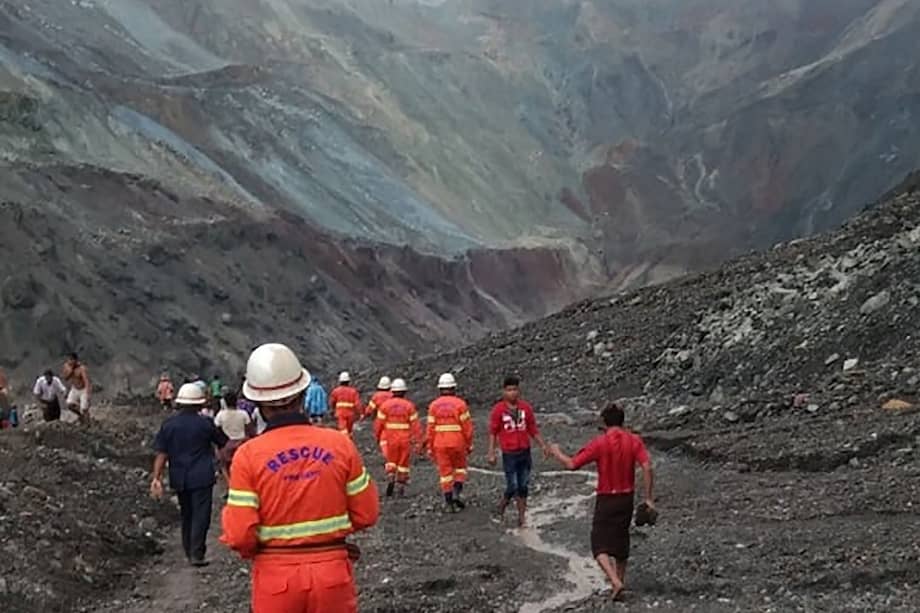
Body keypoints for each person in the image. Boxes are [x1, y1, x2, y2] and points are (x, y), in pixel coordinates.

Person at [222, 343, 379, 613]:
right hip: (332, 577)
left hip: (276, 580)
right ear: (303, 395)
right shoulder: (339, 444)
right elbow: (367, 513)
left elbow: (239, 535)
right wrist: (330, 541)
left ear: (258, 404)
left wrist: (260, 550)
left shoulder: (248, 456)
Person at [548, 403, 654, 601]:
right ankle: (620, 581)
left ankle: (614, 581)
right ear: (622, 421)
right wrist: (648, 498)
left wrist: (556, 452)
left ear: (604, 423)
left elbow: (572, 464)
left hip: (607, 497)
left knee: (599, 544)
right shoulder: (634, 440)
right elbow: (647, 467)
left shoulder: (600, 443)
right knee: (621, 540)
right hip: (626, 497)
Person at [150, 383, 229, 566]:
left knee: (186, 514)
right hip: (202, 475)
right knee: (201, 514)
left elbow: (161, 453)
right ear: (199, 404)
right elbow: (222, 442)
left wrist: (156, 477)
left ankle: (188, 550)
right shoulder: (205, 424)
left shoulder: (169, 425)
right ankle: (197, 553)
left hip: (179, 476)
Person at [487, 375, 550, 527]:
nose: (512, 393)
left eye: (515, 389)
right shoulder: (498, 410)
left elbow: (532, 429)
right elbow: (493, 432)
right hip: (509, 453)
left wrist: (543, 445)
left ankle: (521, 517)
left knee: (523, 485)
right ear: (503, 391)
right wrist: (491, 452)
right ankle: (503, 504)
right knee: (512, 485)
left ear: (519, 390)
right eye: (509, 390)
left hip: (524, 452)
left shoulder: (525, 408)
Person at [425, 373, 473, 511]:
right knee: (460, 468)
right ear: (453, 388)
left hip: (439, 443)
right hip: (458, 441)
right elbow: (467, 427)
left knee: (445, 473)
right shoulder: (460, 404)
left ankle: (448, 502)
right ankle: (457, 492)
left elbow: (430, 429)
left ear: (440, 389)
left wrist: (429, 446)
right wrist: (469, 444)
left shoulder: (433, 406)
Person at [373, 378, 421, 498]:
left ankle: (390, 477)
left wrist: (377, 437)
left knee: (391, 461)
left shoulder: (385, 406)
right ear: (404, 391)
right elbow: (416, 426)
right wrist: (418, 441)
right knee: (403, 463)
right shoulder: (409, 406)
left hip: (390, 439)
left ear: (392, 391)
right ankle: (400, 486)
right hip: (405, 439)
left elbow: (378, 424)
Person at [213, 391, 251, 482]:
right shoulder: (243, 413)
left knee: (224, 466)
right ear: (236, 401)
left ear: (225, 402)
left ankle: (229, 483)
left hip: (226, 444)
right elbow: (249, 428)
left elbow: (216, 429)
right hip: (242, 442)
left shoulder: (220, 415)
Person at [329, 372, 363, 437]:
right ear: (348, 381)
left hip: (340, 413)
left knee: (343, 430)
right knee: (349, 430)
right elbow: (357, 403)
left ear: (340, 381)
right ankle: (349, 440)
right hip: (350, 414)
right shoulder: (353, 391)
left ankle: (345, 440)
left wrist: (332, 410)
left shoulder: (336, 391)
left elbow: (332, 402)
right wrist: (361, 413)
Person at [62, 353, 91, 423]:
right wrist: (70, 371)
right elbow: (65, 378)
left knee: (84, 408)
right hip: (74, 388)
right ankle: (80, 415)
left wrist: (88, 393)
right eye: (69, 360)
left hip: (83, 389)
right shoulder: (66, 366)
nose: (70, 361)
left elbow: (86, 381)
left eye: (72, 360)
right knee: (69, 404)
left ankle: (87, 422)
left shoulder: (81, 368)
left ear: (76, 360)